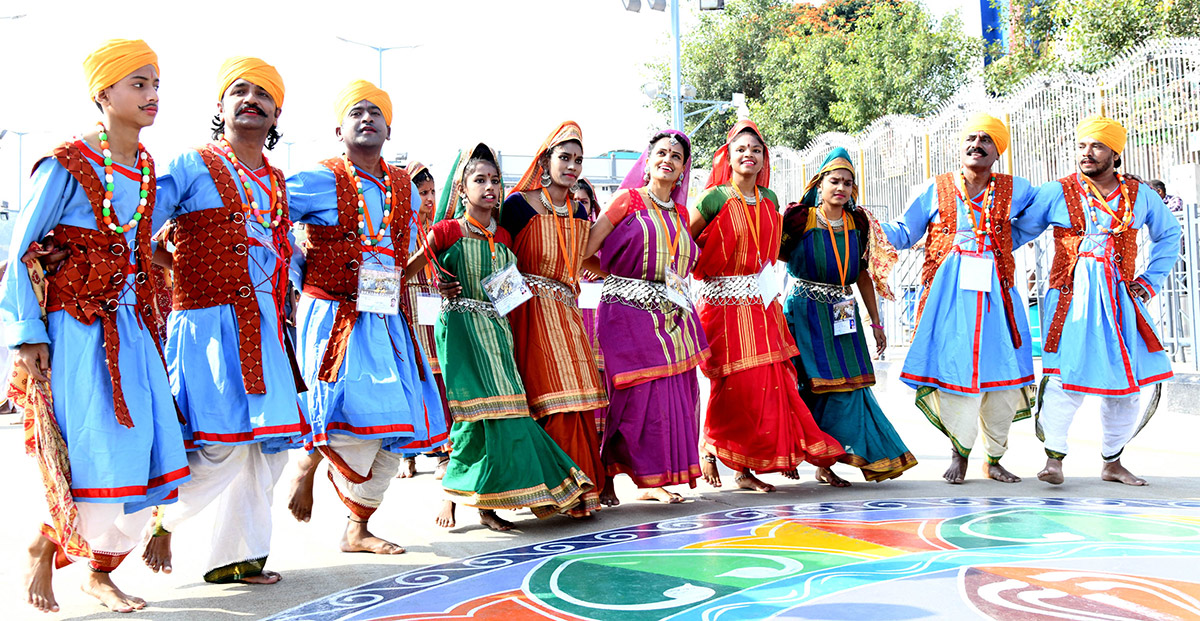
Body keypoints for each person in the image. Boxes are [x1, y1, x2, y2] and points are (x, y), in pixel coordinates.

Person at [4, 39, 190, 613]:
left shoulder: (149, 167)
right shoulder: (66, 162)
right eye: (138, 83)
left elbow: (136, 244)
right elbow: (21, 250)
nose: (152, 94)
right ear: (102, 93)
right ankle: (52, 550)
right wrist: (28, 332)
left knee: (147, 447)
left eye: (156, 83)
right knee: (92, 451)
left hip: (132, 331)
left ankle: (90, 565)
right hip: (74, 330)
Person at [142, 56, 307, 585]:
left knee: (269, 451)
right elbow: (137, 223)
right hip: (207, 329)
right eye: (240, 90)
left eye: (263, 94)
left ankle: (237, 558)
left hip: (266, 330)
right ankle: (161, 520)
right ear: (220, 105)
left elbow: (284, 252)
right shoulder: (191, 164)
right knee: (218, 444)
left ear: (276, 114)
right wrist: (177, 270)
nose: (251, 99)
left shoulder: (277, 181)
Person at [283, 80, 447, 553]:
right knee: (344, 405)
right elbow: (270, 219)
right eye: (356, 112)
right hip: (331, 312)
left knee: (397, 424)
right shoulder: (316, 178)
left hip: (387, 317)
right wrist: (298, 271)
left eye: (375, 112)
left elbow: (403, 251)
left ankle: (357, 527)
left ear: (389, 128)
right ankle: (307, 462)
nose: (367, 118)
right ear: (340, 128)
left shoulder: (405, 191)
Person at [406, 143, 592, 531]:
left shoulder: (505, 235)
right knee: (473, 416)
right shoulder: (445, 231)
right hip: (459, 331)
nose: (489, 187)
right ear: (461, 190)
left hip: (497, 332)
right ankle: (457, 496)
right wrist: (438, 281)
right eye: (479, 180)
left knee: (509, 413)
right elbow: (409, 271)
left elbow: (509, 297)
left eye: (495, 180)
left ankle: (486, 502)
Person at [881, 113, 1038, 484]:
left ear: (997, 152)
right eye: (971, 138)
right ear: (960, 146)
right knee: (956, 374)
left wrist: (1004, 242)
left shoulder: (1017, 189)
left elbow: (1039, 217)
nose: (977, 144)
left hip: (998, 297)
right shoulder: (935, 188)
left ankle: (995, 458)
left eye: (986, 140)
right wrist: (861, 222)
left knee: (1003, 375)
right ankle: (960, 452)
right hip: (948, 302)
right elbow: (904, 232)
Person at [690, 121, 846, 492]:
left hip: (762, 303)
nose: (749, 155)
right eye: (741, 149)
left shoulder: (771, 200)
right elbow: (686, 242)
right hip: (723, 304)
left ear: (764, 159)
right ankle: (714, 446)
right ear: (728, 156)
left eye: (756, 150)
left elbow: (771, 252)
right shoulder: (714, 197)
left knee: (772, 382)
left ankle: (750, 465)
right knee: (735, 383)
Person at [1025, 115, 1180, 486]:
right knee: (1064, 379)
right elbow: (1017, 229)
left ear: (1115, 152)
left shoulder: (1140, 194)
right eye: (1081, 146)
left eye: (1096, 146)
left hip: (1120, 302)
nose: (1086, 153)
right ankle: (1054, 461)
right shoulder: (1056, 191)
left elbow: (1169, 235)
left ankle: (1113, 461)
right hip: (1069, 300)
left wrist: (1149, 281)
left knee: (1125, 385)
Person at [582, 130, 709, 505]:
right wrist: (620, 279)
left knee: (670, 396)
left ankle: (651, 479)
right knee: (630, 395)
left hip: (672, 315)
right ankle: (606, 472)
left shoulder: (682, 213)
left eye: (676, 156)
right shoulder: (627, 200)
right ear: (648, 160)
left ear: (684, 169)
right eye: (661, 153)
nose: (668, 159)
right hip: (626, 312)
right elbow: (587, 250)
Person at [780, 147, 916, 485]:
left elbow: (861, 274)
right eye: (834, 181)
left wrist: (877, 321)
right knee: (803, 386)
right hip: (803, 312)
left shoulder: (858, 223)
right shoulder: (799, 219)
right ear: (819, 183)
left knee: (849, 387)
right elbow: (771, 255)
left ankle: (828, 463)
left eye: (848, 183)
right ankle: (793, 453)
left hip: (843, 314)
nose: (841, 188)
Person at [501, 122, 608, 518]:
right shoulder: (518, 204)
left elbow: (584, 259)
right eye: (565, 157)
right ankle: (552, 491)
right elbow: (500, 255)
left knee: (579, 401)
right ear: (546, 160)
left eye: (578, 160)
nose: (572, 166)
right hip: (529, 309)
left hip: (567, 309)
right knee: (549, 399)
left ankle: (582, 490)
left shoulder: (579, 209)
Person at [399, 160, 453, 480]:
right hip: (408, 305)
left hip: (436, 307)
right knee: (413, 376)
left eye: (433, 191)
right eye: (422, 192)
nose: (430, 199)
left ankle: (443, 451)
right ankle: (409, 453)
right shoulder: (401, 228)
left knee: (439, 378)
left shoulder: (439, 228)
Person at [574, 177, 607, 435]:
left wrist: (601, 268)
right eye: (573, 202)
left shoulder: (604, 237)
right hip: (572, 319)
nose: (578, 208)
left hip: (600, 321)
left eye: (583, 202)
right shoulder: (557, 232)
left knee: (601, 375)